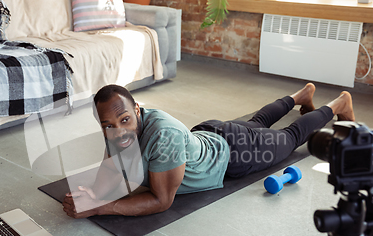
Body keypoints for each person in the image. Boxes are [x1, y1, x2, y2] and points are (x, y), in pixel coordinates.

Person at [62, 83, 355, 218]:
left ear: (137, 110)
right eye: (109, 125)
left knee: (290, 138)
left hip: (236, 154)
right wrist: (95, 194)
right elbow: (112, 166)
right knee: (257, 121)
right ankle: (300, 96)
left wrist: (99, 208)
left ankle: (339, 103)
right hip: (209, 133)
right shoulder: (115, 126)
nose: (118, 130)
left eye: (125, 119)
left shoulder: (164, 135)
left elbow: (161, 200)